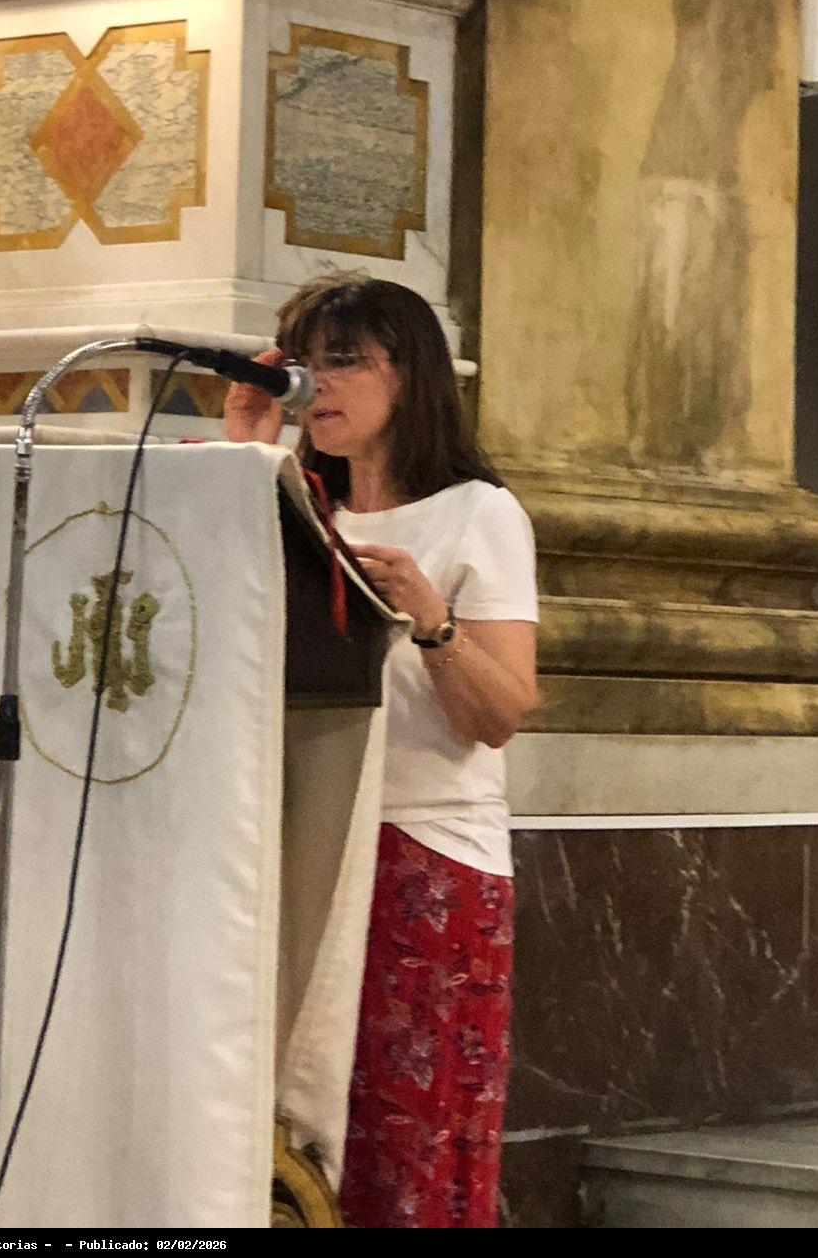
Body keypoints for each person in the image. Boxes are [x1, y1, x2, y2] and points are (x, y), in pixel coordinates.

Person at [224, 274, 539, 1229]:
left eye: (343, 361)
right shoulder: (291, 504)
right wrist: (245, 451)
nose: (313, 385)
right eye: (300, 364)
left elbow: (501, 714)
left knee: (408, 1137)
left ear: (409, 375)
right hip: (300, 848)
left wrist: (433, 621)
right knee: (286, 1136)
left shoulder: (477, 513)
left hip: (423, 856)